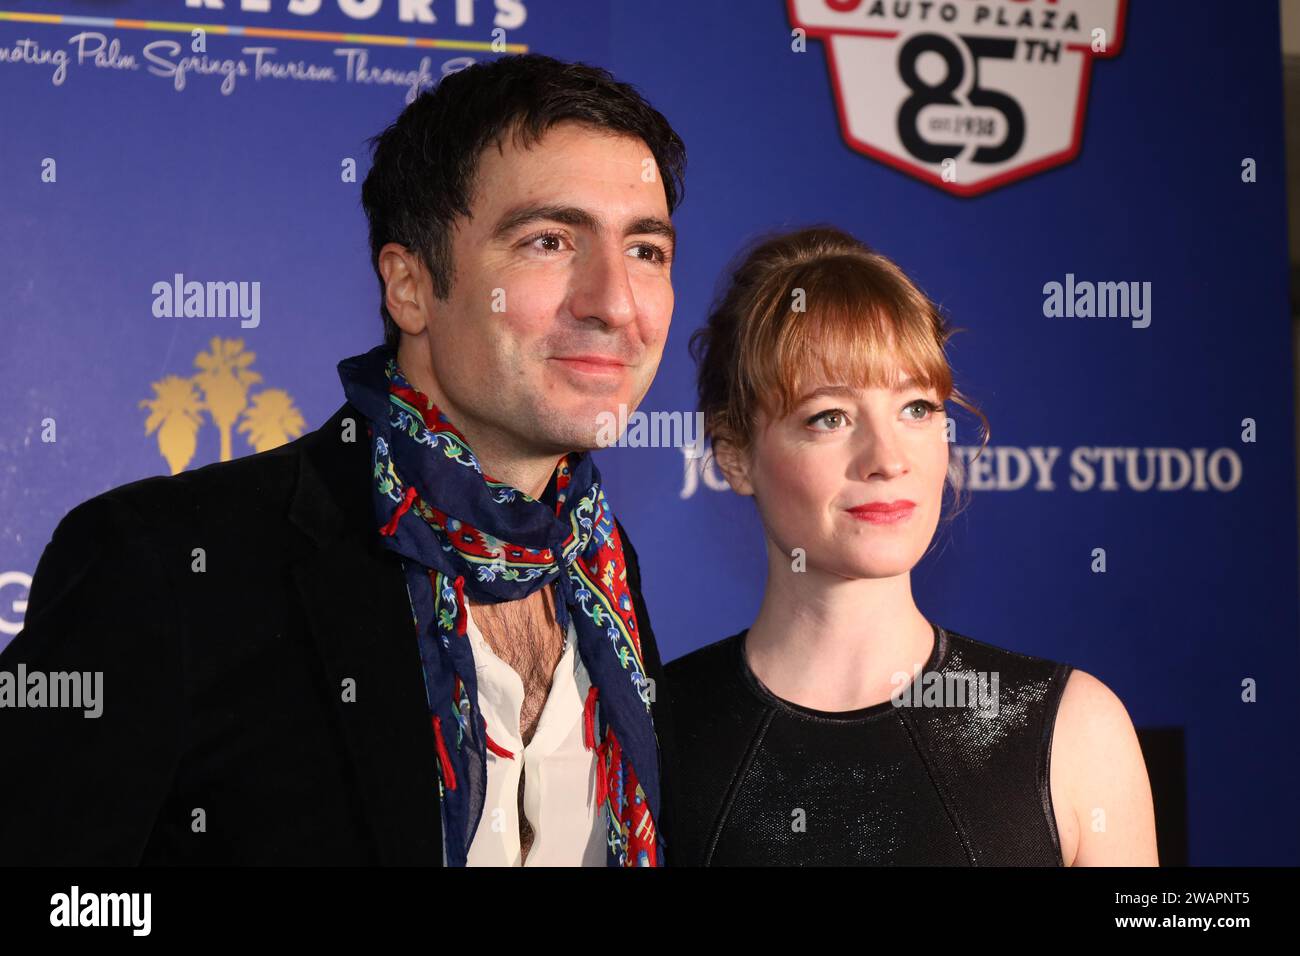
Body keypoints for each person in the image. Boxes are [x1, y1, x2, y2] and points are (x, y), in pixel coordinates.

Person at [0, 53, 685, 867]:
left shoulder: (599, 564)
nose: (613, 302)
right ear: (409, 286)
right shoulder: (164, 565)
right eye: (549, 240)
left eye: (646, 250)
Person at [667, 226, 1158, 866]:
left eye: (917, 408)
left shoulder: (1072, 730)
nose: (887, 459)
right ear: (735, 455)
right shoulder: (650, 732)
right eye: (830, 417)